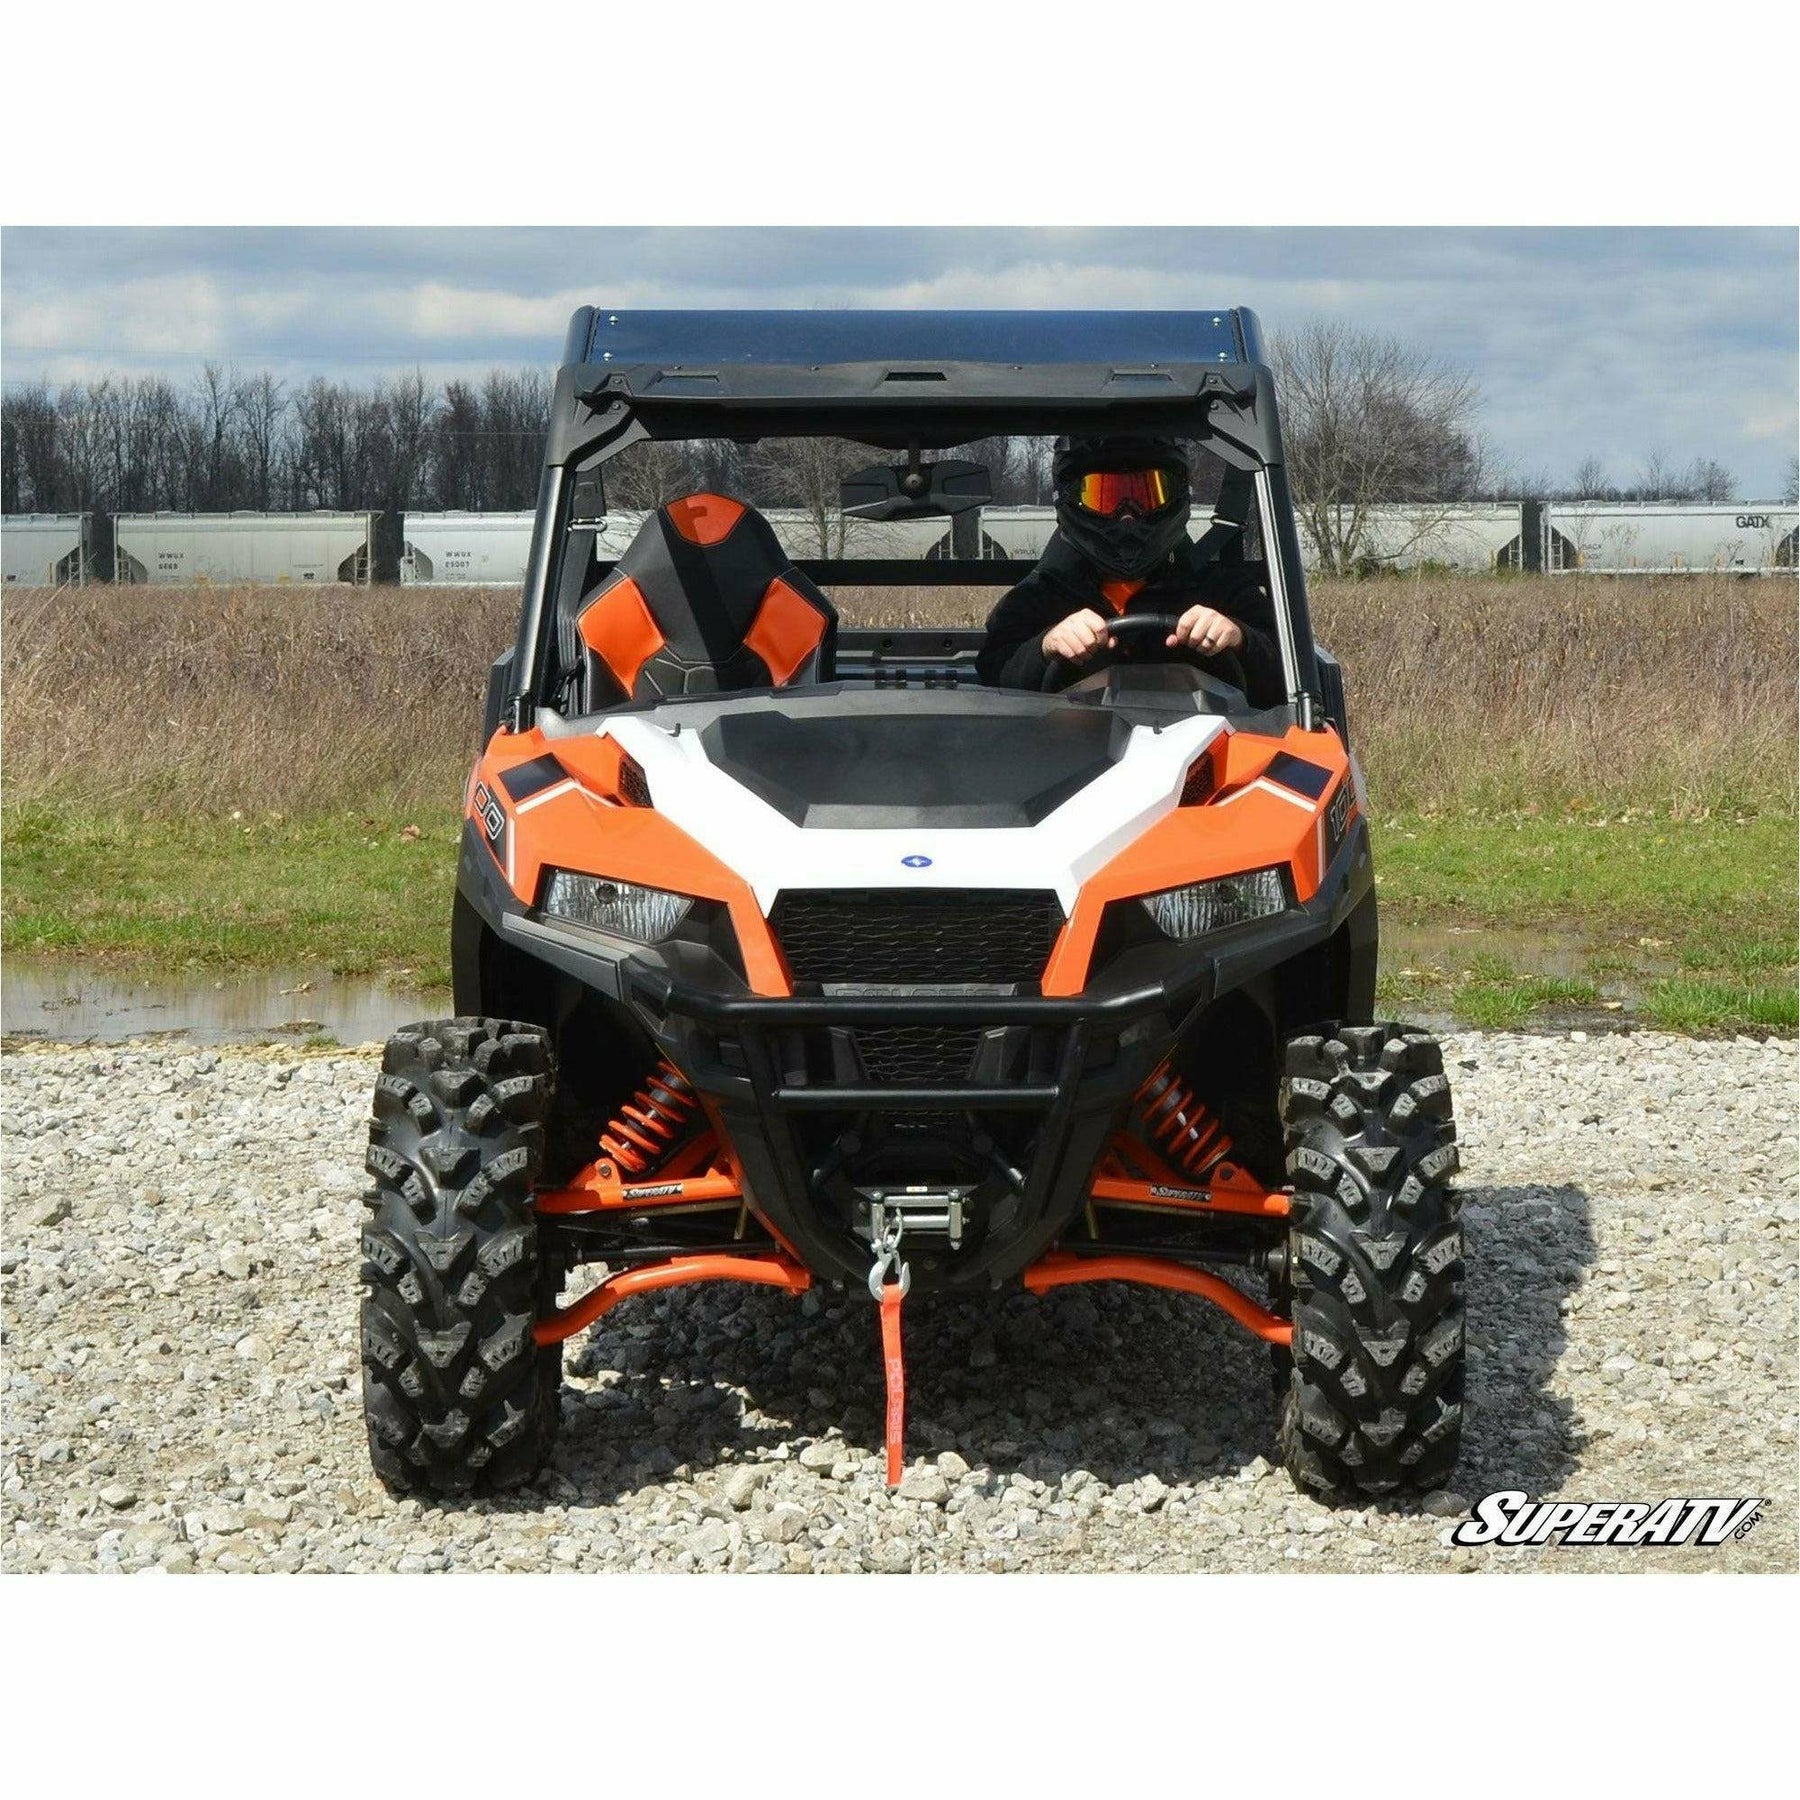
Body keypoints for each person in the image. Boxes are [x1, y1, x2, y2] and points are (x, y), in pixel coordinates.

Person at [976, 436, 1283, 702]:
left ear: (1177, 495)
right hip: (1072, 754)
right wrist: (1045, 646)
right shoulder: (1039, 596)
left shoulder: (1221, 590)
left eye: (1148, 495)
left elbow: (1291, 678)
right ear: (1070, 499)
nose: (1127, 516)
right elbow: (993, 676)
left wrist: (1240, 639)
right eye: (1104, 497)